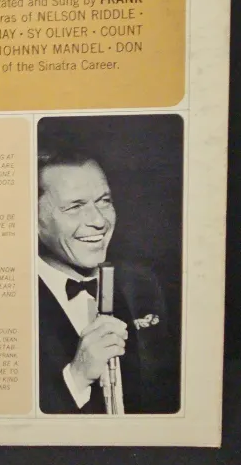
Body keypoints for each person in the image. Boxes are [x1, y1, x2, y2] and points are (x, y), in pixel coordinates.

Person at [37, 146, 179, 414]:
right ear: (32, 220)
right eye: (75, 207)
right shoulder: (7, 300)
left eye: (104, 201)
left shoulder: (142, 283)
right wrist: (77, 378)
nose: (99, 221)